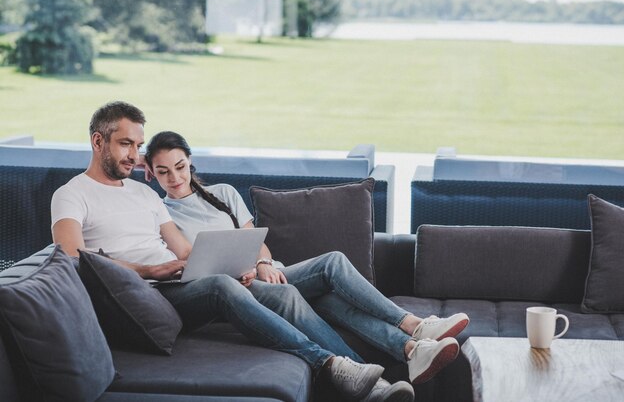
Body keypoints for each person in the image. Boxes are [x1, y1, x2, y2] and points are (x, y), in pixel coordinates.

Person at [51, 101, 395, 402]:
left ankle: (371, 384)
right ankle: (329, 364)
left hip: (178, 283)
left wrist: (237, 264)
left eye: (137, 145)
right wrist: (148, 271)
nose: (133, 155)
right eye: (125, 144)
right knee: (221, 286)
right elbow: (72, 255)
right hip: (148, 292)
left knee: (279, 292)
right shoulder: (72, 194)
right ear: (98, 141)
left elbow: (185, 250)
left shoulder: (143, 195)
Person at [143, 131, 470, 392]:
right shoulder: (162, 214)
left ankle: (407, 355)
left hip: (265, 275)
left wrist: (262, 265)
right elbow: (192, 264)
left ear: (190, 163)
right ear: (151, 173)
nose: (174, 177)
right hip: (236, 293)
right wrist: (239, 274)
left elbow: (257, 244)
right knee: (325, 269)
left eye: (180, 166)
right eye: (163, 171)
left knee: (330, 284)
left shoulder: (224, 193)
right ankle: (412, 334)